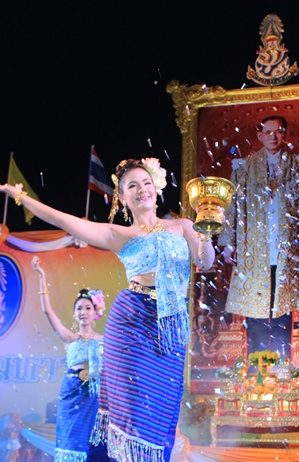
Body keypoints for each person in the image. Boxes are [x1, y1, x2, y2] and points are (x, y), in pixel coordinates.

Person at [1, 156, 216, 462]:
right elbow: (63, 220)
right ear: (123, 198)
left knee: (162, 411)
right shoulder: (120, 235)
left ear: (156, 187)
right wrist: (21, 198)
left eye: (146, 182)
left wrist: (206, 230)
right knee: (134, 409)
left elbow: (205, 261)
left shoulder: (182, 226)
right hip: (133, 323)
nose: (142, 189)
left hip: (170, 328)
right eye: (132, 186)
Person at [218, 115, 299, 359]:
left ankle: (282, 364)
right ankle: (256, 363)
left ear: (285, 134)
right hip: (254, 247)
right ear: (260, 136)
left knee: (282, 306)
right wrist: (227, 243)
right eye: (268, 132)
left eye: (278, 131)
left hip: (287, 247)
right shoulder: (244, 167)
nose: (273, 136)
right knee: (256, 308)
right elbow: (232, 206)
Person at [31, 256, 104, 462]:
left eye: (88, 308)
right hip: (73, 395)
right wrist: (41, 275)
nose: (83, 312)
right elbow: (47, 311)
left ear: (96, 312)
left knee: (94, 444)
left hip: (96, 397)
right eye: (79, 308)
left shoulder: (105, 340)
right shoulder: (69, 338)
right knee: (71, 442)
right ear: (74, 314)